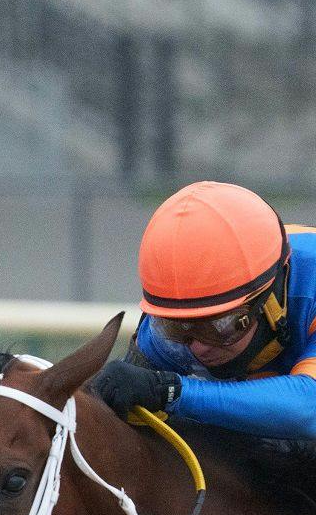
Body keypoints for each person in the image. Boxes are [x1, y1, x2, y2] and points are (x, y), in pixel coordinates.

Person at [94, 180, 316, 440]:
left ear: (271, 292)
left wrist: (172, 391)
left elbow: (307, 410)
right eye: (177, 328)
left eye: (220, 326)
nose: (198, 349)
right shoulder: (164, 331)